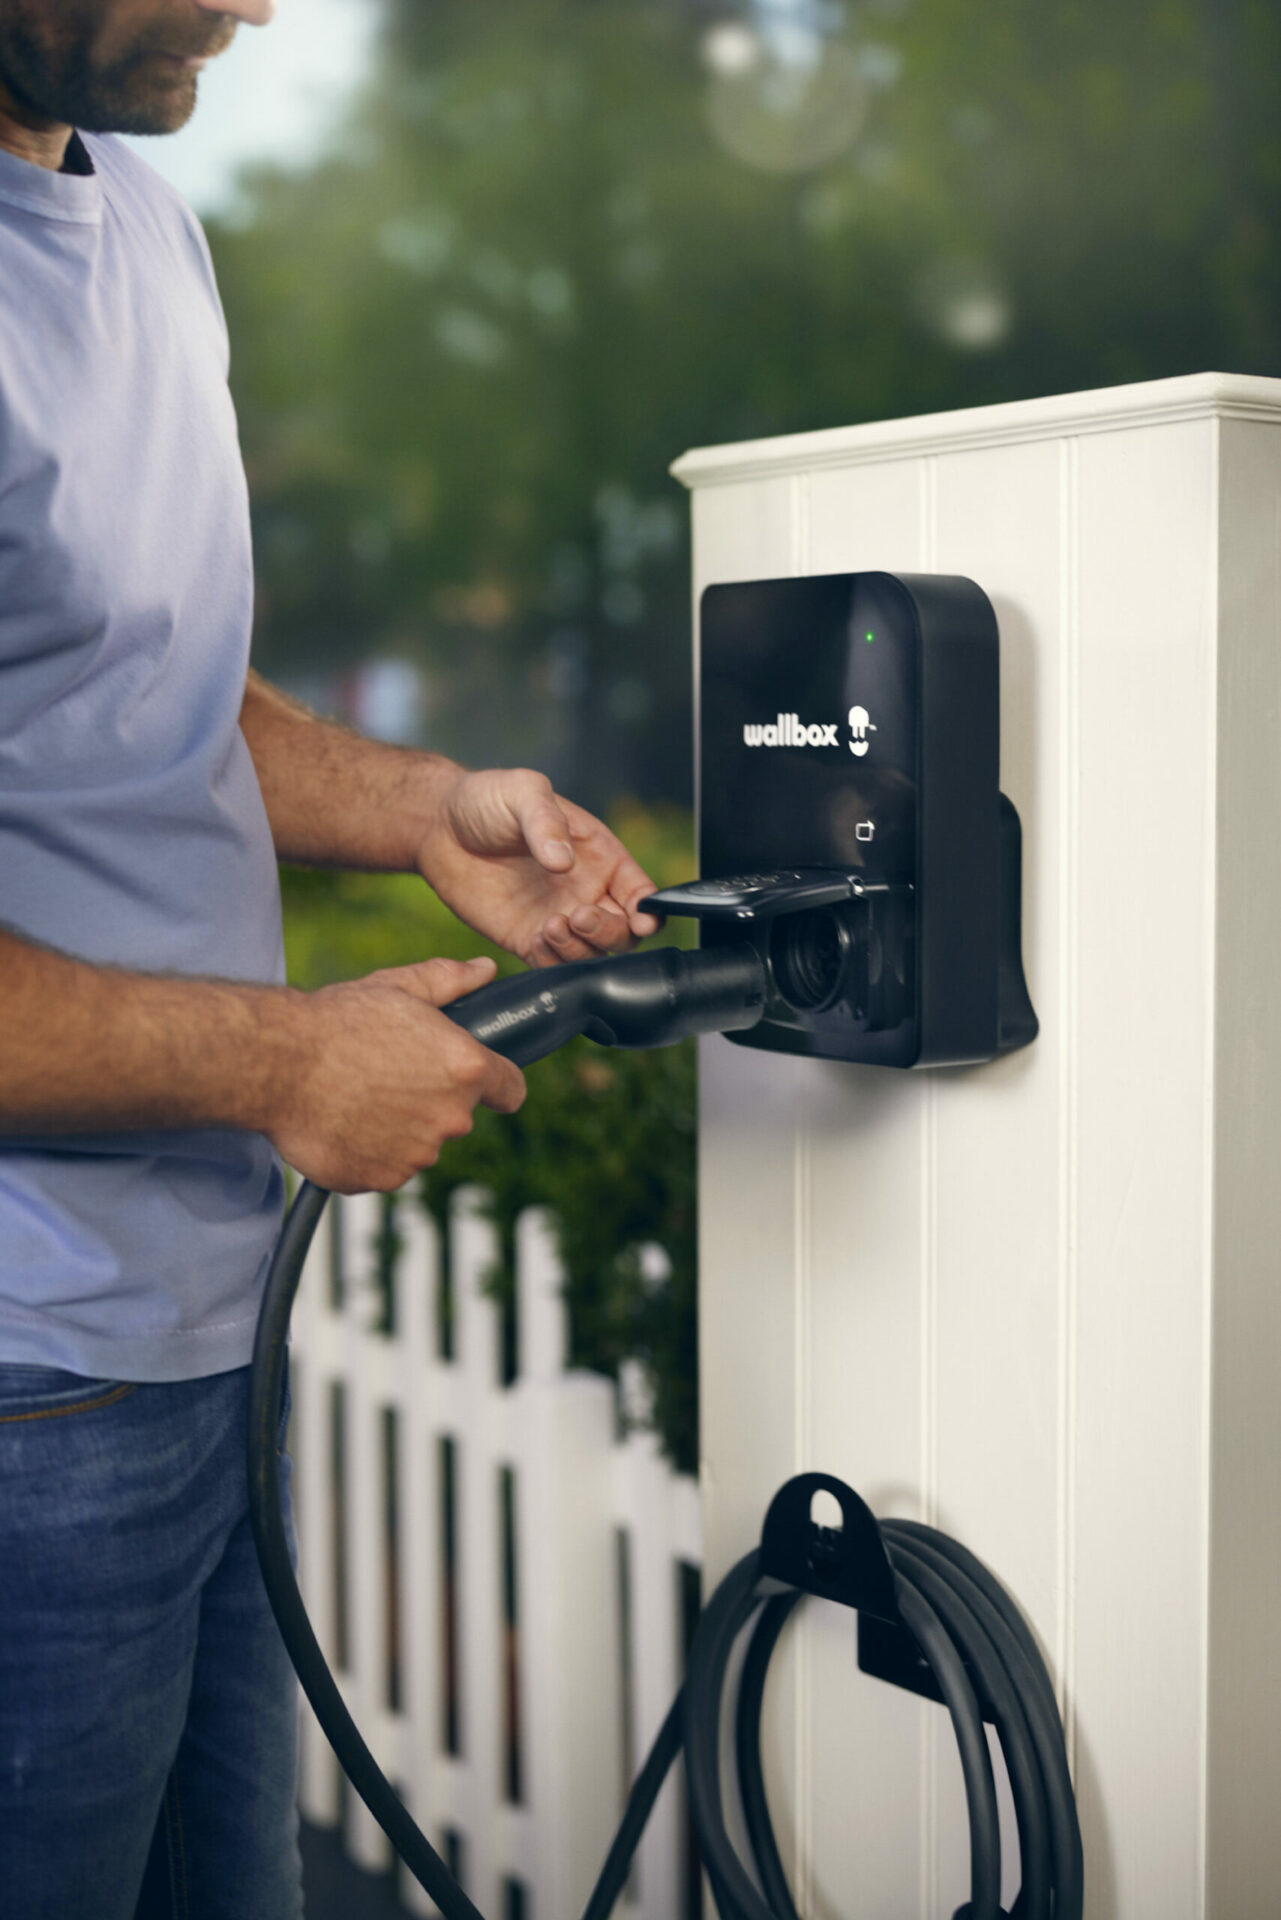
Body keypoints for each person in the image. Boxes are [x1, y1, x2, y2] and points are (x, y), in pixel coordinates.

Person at [0, 4, 661, 1914]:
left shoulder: (147, 231)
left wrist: (423, 806)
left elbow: (148, 688)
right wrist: (286, 1065)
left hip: (196, 1346)